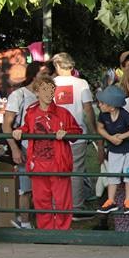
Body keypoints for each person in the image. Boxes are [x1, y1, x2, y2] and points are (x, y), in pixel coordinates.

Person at [12, 76, 82, 230]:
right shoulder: (31, 112)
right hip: (38, 164)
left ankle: (62, 231)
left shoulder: (63, 113)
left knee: (63, 200)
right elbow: (27, 128)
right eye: (44, 89)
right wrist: (19, 131)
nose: (48, 93)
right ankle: (46, 231)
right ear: (36, 92)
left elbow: (77, 132)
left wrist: (67, 132)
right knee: (41, 200)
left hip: (59, 164)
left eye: (51, 89)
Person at [1, 61, 51, 229]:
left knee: (46, 185)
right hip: (26, 147)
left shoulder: (47, 93)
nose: (47, 77)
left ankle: (45, 221)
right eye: (43, 73)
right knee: (26, 187)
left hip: (46, 148)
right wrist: (15, 148)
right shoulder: (19, 95)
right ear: (33, 74)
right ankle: (25, 222)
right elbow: (6, 125)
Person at [50, 52, 96, 209]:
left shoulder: (51, 83)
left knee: (57, 172)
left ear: (57, 65)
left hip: (55, 135)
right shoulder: (82, 83)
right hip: (78, 134)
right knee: (76, 172)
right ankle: (76, 206)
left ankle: (58, 205)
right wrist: (93, 130)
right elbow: (88, 109)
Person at [95, 85, 129, 214]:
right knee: (112, 175)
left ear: (112, 106)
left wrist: (122, 137)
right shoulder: (103, 116)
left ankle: (128, 201)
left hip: (128, 150)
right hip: (114, 150)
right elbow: (100, 128)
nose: (99, 105)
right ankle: (111, 200)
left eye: (102, 103)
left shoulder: (124, 115)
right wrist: (110, 138)